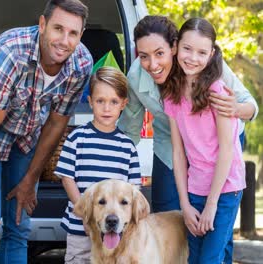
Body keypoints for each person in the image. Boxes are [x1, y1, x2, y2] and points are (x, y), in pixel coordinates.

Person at [0, 0, 93, 262]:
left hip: (27, 134)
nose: (64, 40)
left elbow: (56, 123)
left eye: (73, 33)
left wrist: (30, 179)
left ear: (80, 35)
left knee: (19, 224)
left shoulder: (81, 64)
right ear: (42, 25)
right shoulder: (9, 53)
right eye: (58, 29)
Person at [117, 15, 258, 213]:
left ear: (174, 47)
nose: (152, 64)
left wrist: (235, 108)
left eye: (159, 53)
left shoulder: (203, 62)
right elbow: (130, 130)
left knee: (216, 216)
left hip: (217, 146)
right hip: (170, 146)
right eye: (143, 56)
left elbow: (250, 105)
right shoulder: (135, 77)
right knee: (166, 212)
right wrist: (111, 165)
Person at [162, 17, 245, 263]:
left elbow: (227, 151)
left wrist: (212, 205)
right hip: (194, 187)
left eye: (201, 52)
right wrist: (185, 205)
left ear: (211, 55)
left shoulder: (217, 92)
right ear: (176, 47)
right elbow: (178, 152)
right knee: (194, 258)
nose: (192, 57)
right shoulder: (172, 94)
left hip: (225, 189)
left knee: (210, 259)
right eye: (187, 49)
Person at [55, 66, 141, 264]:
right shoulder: (77, 138)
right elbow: (67, 178)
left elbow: (133, 189)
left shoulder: (127, 146)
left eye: (114, 102)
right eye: (100, 101)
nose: (107, 108)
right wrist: (86, 215)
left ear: (123, 104)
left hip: (115, 231)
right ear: (90, 102)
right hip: (81, 229)